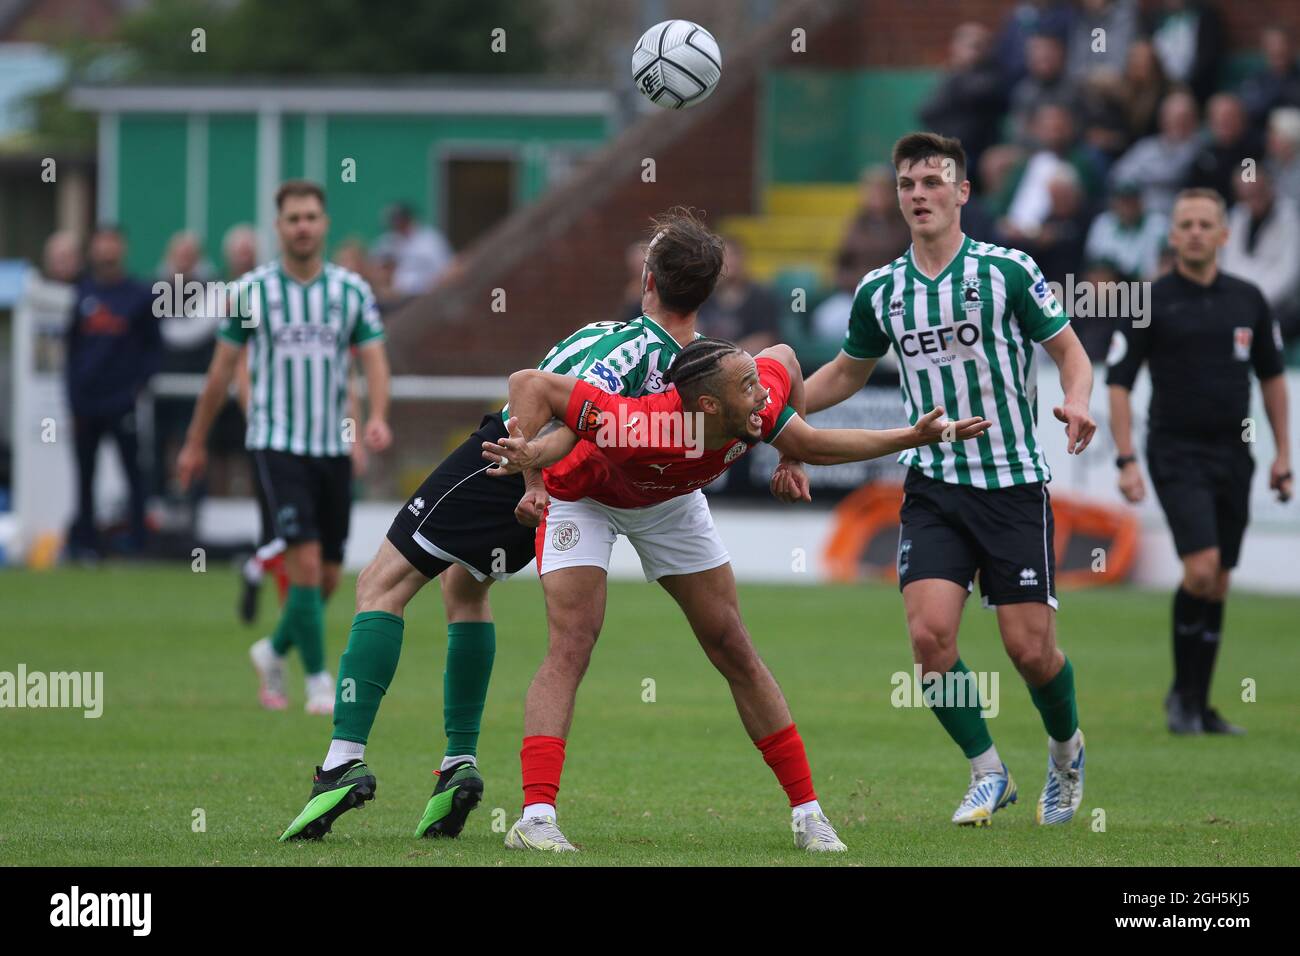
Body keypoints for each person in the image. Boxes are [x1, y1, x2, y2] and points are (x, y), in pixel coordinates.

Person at [276, 208, 722, 843]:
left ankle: (342, 761)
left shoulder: (624, 341)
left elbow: (537, 397)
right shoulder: (686, 372)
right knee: (466, 590)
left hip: (505, 461)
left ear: (649, 279)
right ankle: (457, 764)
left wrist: (531, 478)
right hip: (556, 489)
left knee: (380, 586)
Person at [480, 338, 989, 852]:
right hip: (584, 499)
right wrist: (533, 479)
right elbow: (529, 383)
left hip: (670, 502)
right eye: (747, 388)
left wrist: (797, 457)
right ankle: (536, 819)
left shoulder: (756, 401)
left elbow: (790, 363)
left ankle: (809, 814)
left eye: (755, 381)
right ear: (708, 407)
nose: (762, 398)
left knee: (733, 645)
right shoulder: (640, 424)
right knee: (571, 646)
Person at [801, 132, 1097, 828]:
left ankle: (1065, 749)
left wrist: (1077, 398)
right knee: (930, 639)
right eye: (907, 184)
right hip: (933, 486)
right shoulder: (882, 289)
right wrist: (782, 415)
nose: (919, 195)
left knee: (1031, 651)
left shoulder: (1007, 272)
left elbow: (1070, 352)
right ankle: (987, 772)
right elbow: (848, 370)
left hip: (1013, 485)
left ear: (962, 192)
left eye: (933, 182)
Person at [177, 180, 393, 715]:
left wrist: (377, 419)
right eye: (293, 217)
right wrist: (195, 440)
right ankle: (319, 681)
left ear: (324, 223)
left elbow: (371, 360)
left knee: (325, 577)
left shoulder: (349, 291)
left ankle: (272, 651)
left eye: (311, 216)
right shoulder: (252, 293)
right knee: (304, 558)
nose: (302, 226)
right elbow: (222, 369)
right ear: (279, 226)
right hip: (275, 442)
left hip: (332, 447)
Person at [1107, 188, 1292, 735]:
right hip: (1175, 451)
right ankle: (1181, 700)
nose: (1193, 232)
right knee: (1201, 569)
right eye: (1184, 223)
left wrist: (1284, 454)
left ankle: (1199, 703)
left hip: (1235, 454)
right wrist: (1125, 459)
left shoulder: (1248, 300)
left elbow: (1274, 377)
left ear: (1222, 234)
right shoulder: (1150, 299)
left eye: (1203, 223)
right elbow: (1119, 383)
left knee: (1220, 582)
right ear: (1172, 235)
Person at [65, 225, 160, 559]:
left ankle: (137, 543)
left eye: (112, 245)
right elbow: (71, 349)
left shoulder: (139, 294)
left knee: (134, 473)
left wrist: (138, 387)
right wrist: (72, 397)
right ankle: (85, 544)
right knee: (84, 475)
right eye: (101, 246)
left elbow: (153, 348)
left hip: (123, 402)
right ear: (93, 250)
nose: (107, 252)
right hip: (86, 403)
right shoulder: (81, 293)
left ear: (122, 249)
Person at [1109, 90, 1201, 216]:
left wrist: (1144, 174)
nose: (1178, 122)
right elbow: (1119, 175)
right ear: (1163, 119)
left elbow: (1174, 173)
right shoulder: (1147, 146)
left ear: (1194, 120)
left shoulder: (1200, 147)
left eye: (1184, 117)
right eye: (1173, 117)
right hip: (1142, 217)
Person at [695, 236, 781, 353]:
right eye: (722, 256)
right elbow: (693, 330)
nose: (728, 261)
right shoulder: (703, 295)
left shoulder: (761, 296)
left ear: (743, 259)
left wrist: (729, 354)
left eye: (732, 255)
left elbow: (766, 339)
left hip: (748, 363)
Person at [370, 202, 453, 297]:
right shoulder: (387, 241)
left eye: (401, 220)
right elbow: (375, 269)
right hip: (394, 297)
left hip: (426, 295)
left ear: (409, 219)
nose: (398, 224)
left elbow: (447, 269)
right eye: (395, 221)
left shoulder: (431, 240)